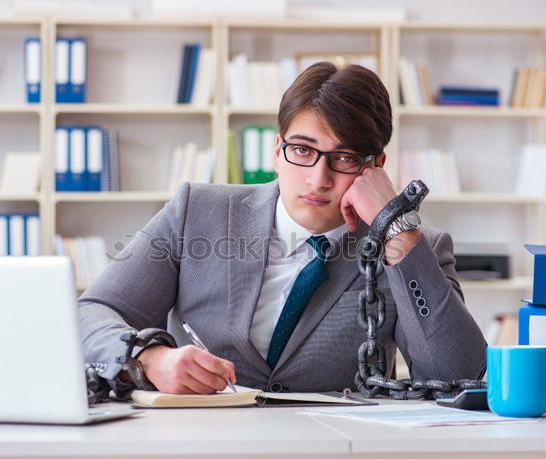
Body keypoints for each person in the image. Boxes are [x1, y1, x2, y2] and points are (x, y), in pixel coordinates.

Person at [79, 62, 486, 397]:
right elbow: (92, 313)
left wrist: (395, 225)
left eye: (343, 157)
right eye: (303, 151)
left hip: (332, 453)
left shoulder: (416, 247)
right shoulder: (196, 212)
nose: (317, 179)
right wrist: (150, 358)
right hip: (198, 442)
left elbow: (456, 373)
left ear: (376, 167)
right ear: (277, 151)